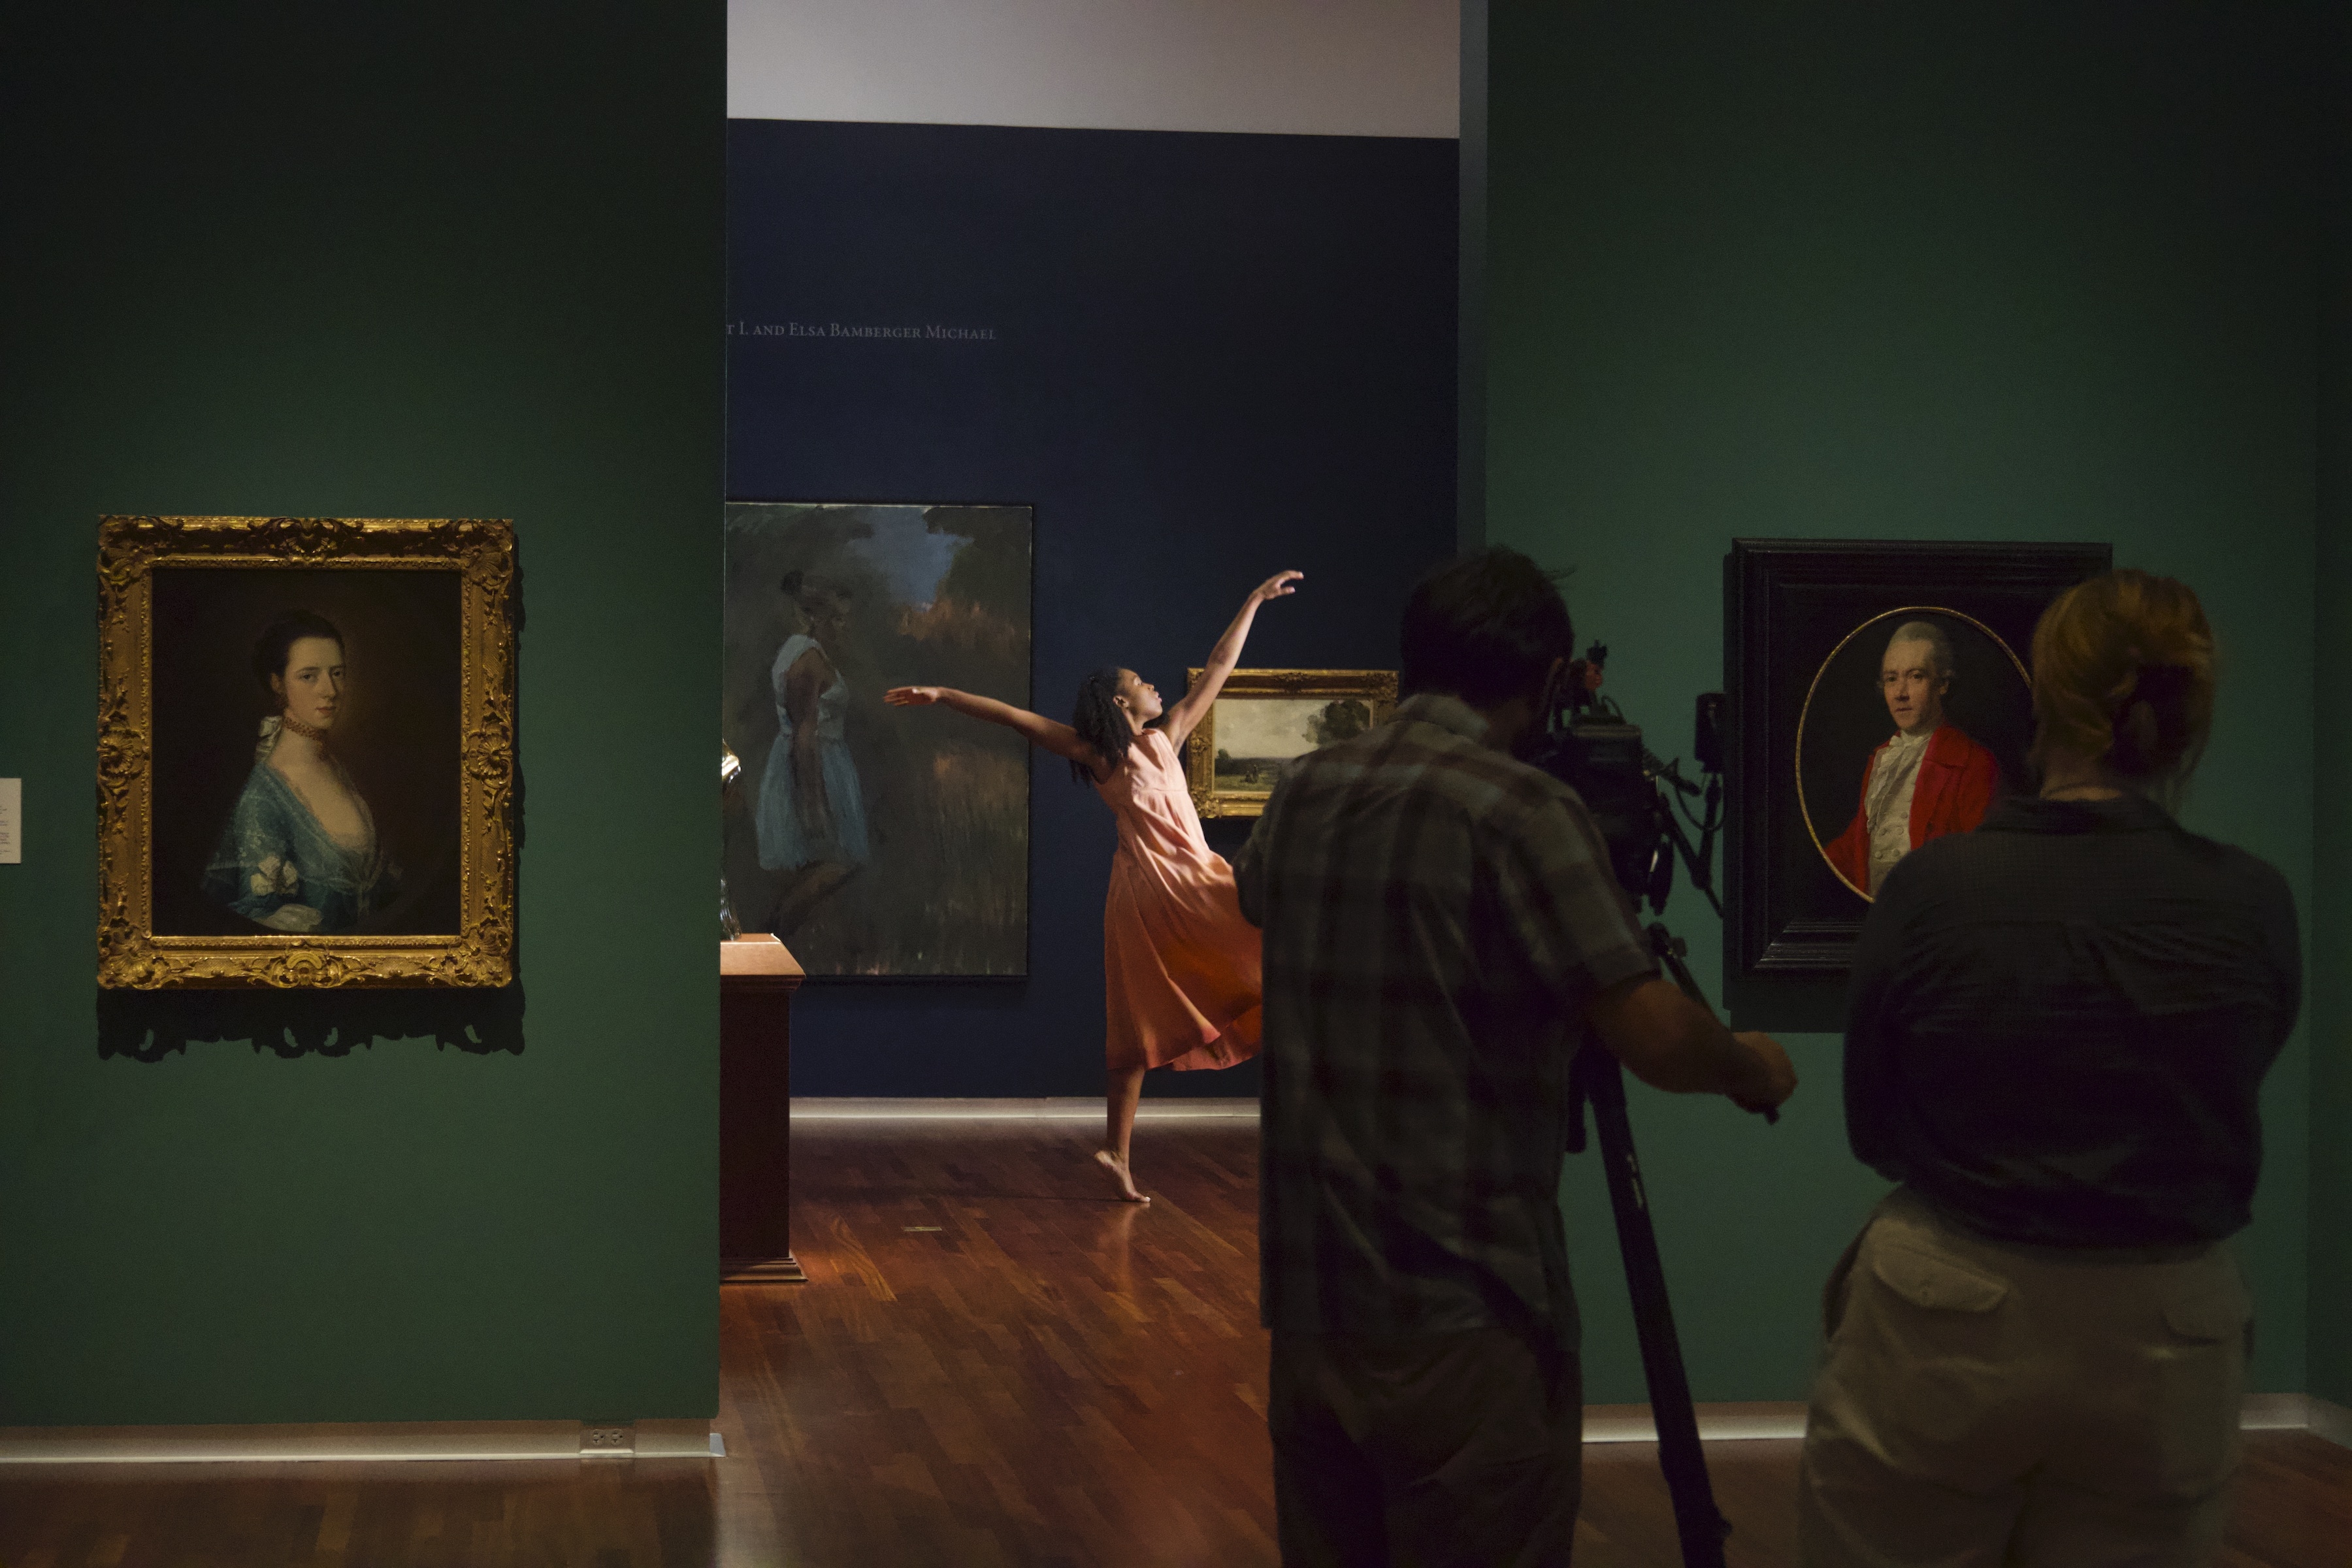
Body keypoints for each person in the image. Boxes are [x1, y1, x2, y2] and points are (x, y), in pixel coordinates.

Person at [1234, 547, 1796, 1567]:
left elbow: (1255, 898)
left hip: (1314, 1320)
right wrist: (1751, 1065)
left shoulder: (1304, 795)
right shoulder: (1522, 812)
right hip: (1466, 1320)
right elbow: (1647, 1031)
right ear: (1545, 681)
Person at [1799, 569, 2300, 1567]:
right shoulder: (2252, 902)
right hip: (2168, 1332)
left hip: (1952, 1311)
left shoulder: (1936, 890)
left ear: (2045, 694)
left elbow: (1873, 1125)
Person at [885, 570, 1302, 1202]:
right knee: (1259, 961)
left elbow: (1219, 664)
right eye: (1141, 683)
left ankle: (1117, 1152)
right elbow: (1017, 719)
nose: (1155, 685)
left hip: (1164, 889)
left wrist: (1250, 602)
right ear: (1118, 702)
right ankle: (1138, 1145)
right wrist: (944, 694)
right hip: (1169, 889)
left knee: (1150, 1016)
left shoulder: (1165, 740)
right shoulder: (1105, 754)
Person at [203, 610, 396, 934]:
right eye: (309, 676)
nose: (330, 690)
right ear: (278, 683)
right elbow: (261, 914)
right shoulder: (264, 797)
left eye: (337, 673)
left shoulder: (334, 767)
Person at [1823, 619, 2001, 895]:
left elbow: (1982, 867)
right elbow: (1857, 843)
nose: (1900, 693)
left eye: (1916, 676)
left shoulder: (1972, 763)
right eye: (1891, 679)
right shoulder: (1882, 757)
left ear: (1942, 683)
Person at [755, 571, 872, 938]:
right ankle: (771, 937)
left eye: (846, 617)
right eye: (837, 618)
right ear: (817, 618)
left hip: (831, 763)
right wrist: (814, 804)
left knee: (832, 863)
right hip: (814, 766)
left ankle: (775, 937)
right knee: (831, 860)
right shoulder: (806, 660)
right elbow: (804, 735)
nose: (844, 626)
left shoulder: (811, 653)